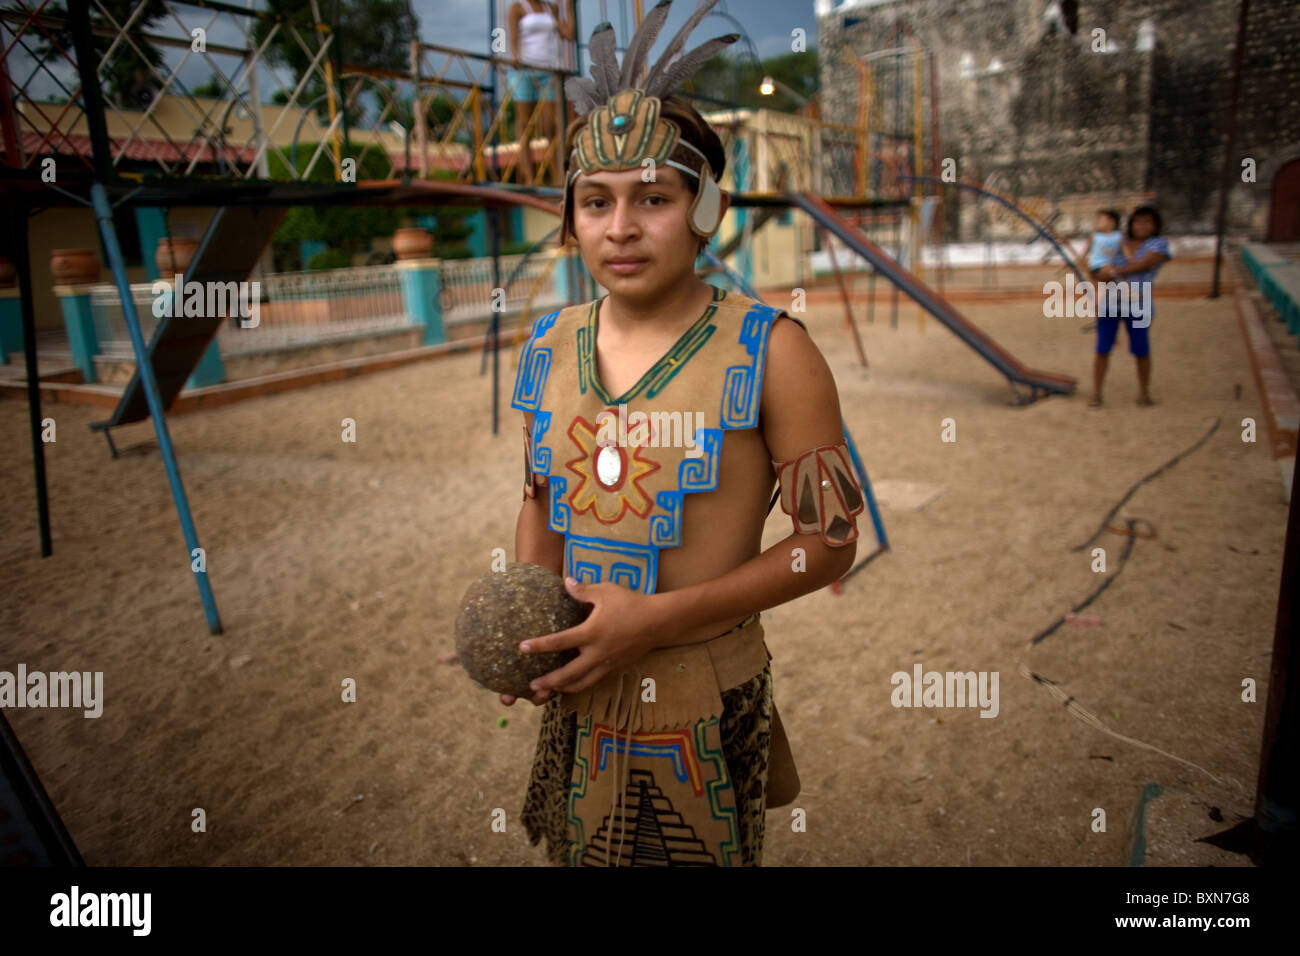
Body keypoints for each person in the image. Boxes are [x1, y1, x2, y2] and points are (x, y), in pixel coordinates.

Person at [500, 0, 865, 867]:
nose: (620, 228)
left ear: (707, 210)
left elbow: (831, 544)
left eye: (653, 199)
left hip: (706, 693)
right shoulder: (549, 349)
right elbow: (541, 502)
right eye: (596, 202)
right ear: (571, 216)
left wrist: (657, 621)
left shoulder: (774, 352)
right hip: (582, 695)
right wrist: (525, 620)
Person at [1089, 205, 1171, 407]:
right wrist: (1100, 273)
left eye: (1147, 222)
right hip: (1110, 304)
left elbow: (1145, 264)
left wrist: (1114, 272)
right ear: (1131, 224)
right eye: (1138, 221)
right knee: (1102, 349)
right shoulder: (1118, 242)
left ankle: (1143, 393)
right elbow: (1097, 269)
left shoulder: (1158, 244)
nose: (1141, 225)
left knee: (1141, 350)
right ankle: (1096, 393)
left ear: (1155, 225)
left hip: (1139, 305)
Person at [507, 0, 575, 185]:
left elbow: (569, 34)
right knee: (525, 124)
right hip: (525, 69)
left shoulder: (549, 8)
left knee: (550, 125)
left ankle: (557, 176)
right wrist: (515, 56)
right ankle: (529, 177)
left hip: (548, 70)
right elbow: (513, 39)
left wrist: (568, 7)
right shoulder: (518, 8)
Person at [1080, 208, 1123, 282]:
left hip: (1113, 266)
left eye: (1101, 220)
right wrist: (1083, 264)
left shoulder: (1118, 236)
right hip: (1096, 266)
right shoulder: (1095, 236)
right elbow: (1085, 252)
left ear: (1112, 222)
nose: (1097, 222)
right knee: (1108, 271)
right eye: (1097, 220)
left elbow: (1124, 251)